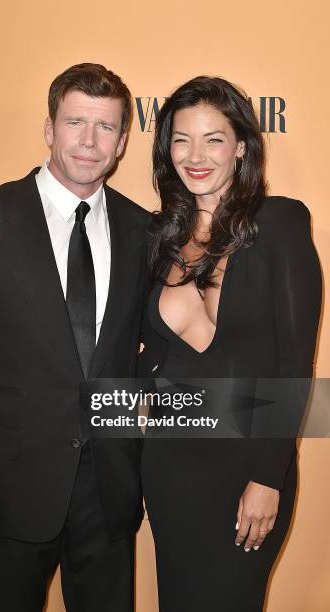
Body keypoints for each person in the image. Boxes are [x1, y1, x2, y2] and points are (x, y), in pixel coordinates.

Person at [0, 63, 150, 612]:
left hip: (110, 489)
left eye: (105, 128)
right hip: (7, 489)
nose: (89, 143)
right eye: (76, 123)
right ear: (49, 127)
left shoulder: (144, 229)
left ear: (123, 141)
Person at [138, 76, 322, 611]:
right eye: (181, 139)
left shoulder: (280, 223)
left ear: (241, 146)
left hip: (250, 466)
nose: (195, 156)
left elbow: (294, 363)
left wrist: (268, 477)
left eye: (213, 139)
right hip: (171, 469)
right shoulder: (157, 238)